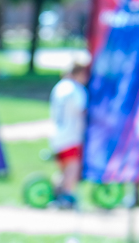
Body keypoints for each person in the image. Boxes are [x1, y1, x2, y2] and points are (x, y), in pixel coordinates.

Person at [48, 59, 90, 209]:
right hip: (71, 134)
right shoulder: (76, 89)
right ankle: (66, 195)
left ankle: (57, 191)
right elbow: (82, 110)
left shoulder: (59, 87)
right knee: (73, 166)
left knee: (64, 168)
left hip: (57, 133)